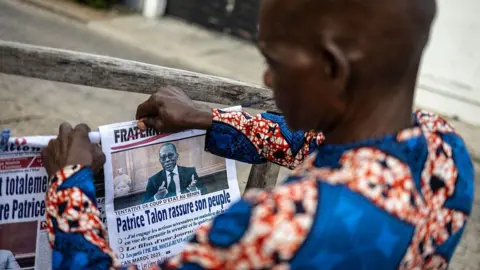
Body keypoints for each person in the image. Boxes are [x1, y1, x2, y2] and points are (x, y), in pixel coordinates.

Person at [41, 0, 475, 269]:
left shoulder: (280, 226)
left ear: (332, 69)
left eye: (275, 60)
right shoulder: (445, 152)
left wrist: (69, 186)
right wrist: (205, 118)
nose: (266, 76)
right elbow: (308, 141)